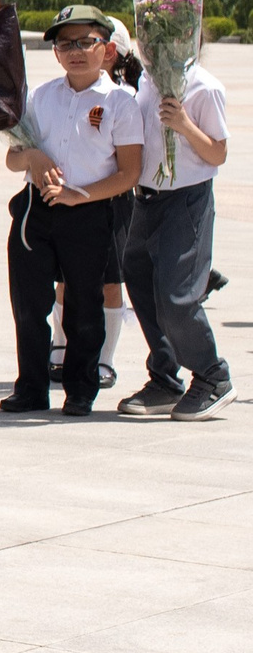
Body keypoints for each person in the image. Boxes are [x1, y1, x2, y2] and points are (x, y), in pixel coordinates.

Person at [3, 5, 143, 416]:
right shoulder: (41, 97)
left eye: (86, 42)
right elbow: (12, 158)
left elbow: (129, 173)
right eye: (66, 44)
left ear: (107, 49)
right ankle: (31, 388)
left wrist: (79, 196)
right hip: (37, 210)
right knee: (29, 305)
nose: (76, 52)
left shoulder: (120, 103)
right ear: (56, 53)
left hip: (88, 213)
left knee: (84, 306)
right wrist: (32, 157)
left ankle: (81, 389)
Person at [115, 22, 235, 419]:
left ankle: (213, 375)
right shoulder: (147, 83)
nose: (155, 46)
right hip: (147, 199)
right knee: (140, 278)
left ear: (190, 40)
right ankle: (165, 377)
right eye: (149, 38)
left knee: (176, 295)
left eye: (167, 38)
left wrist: (184, 124)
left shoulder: (205, 88)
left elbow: (217, 154)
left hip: (186, 199)